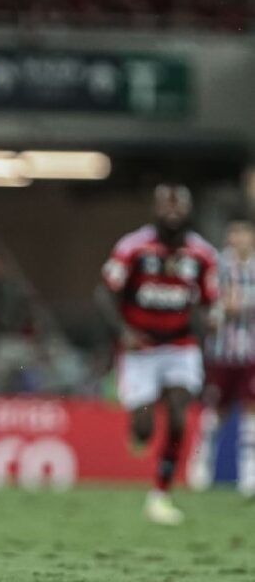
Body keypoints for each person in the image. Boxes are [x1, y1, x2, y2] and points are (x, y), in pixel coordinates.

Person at [99, 184, 219, 525]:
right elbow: (104, 294)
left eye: (178, 207)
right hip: (141, 348)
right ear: (154, 210)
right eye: (166, 207)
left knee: (180, 415)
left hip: (180, 346)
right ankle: (139, 426)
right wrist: (122, 331)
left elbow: (210, 302)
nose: (172, 213)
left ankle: (161, 495)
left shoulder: (202, 254)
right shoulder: (133, 247)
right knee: (144, 429)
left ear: (188, 212)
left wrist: (209, 323)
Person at [189, 218, 255, 497]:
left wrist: (242, 305)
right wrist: (219, 312)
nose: (239, 239)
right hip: (222, 353)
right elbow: (202, 303)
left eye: (244, 234)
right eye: (235, 233)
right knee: (215, 411)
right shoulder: (216, 265)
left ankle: (249, 474)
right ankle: (200, 466)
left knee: (251, 414)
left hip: (251, 352)